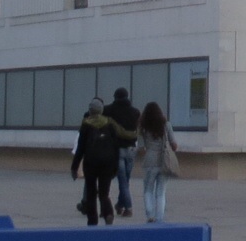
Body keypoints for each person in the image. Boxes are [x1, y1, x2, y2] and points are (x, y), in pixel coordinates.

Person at [69, 97, 131, 226]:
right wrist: (114, 166)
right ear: (101, 110)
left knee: (91, 193)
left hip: (90, 163)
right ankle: (108, 213)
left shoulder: (86, 124)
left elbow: (80, 148)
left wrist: (74, 167)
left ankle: (92, 220)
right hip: (107, 163)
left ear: (90, 110)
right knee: (104, 193)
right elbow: (115, 146)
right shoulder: (109, 123)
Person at [135, 101, 178, 223]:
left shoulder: (143, 127)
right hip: (164, 161)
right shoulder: (166, 125)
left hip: (149, 160)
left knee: (148, 189)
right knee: (161, 191)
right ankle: (159, 218)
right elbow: (174, 145)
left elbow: (141, 147)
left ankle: (150, 215)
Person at [106, 86, 141, 217]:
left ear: (115, 97)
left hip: (117, 149)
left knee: (122, 181)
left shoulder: (108, 110)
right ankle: (120, 205)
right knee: (126, 180)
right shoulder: (135, 112)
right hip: (131, 149)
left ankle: (128, 207)